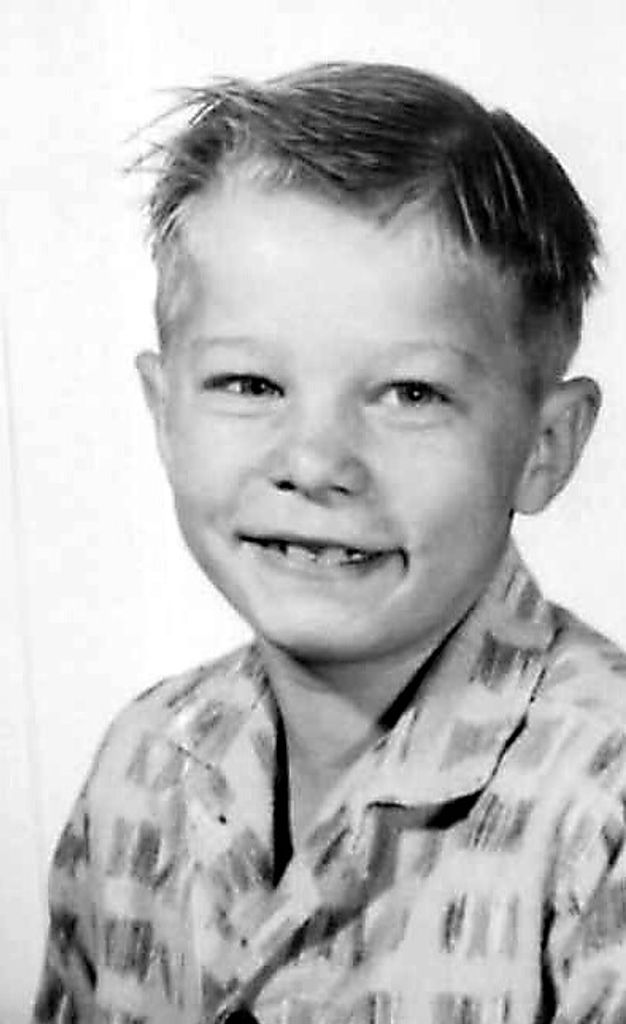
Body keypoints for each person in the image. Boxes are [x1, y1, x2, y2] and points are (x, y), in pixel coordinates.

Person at [32, 62, 626, 1024]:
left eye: (410, 394)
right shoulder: (142, 764)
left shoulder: (603, 813)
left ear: (545, 447)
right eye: (249, 385)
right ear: (163, 413)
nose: (314, 464)